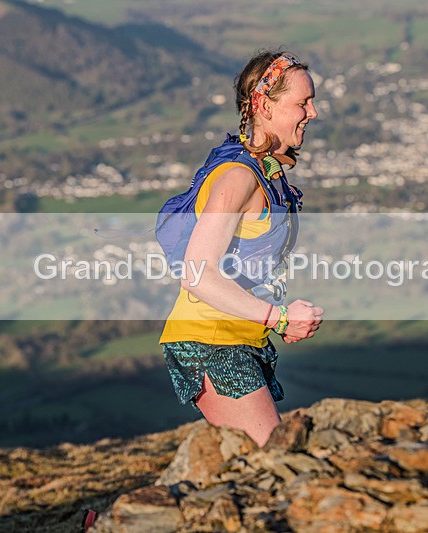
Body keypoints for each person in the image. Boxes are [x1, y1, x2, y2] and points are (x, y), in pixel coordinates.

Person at [158, 50, 323, 447]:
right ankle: (116, 515)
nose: (313, 113)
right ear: (265, 105)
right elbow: (197, 273)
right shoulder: (238, 177)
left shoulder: (264, 172)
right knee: (270, 460)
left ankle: (116, 515)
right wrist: (278, 318)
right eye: (303, 102)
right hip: (210, 340)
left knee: (240, 468)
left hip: (237, 337)